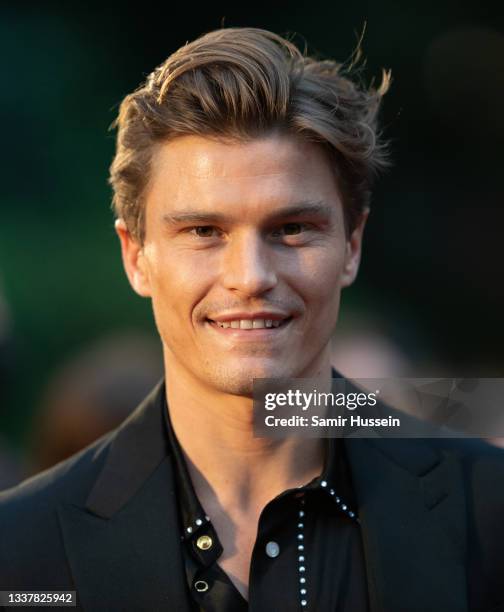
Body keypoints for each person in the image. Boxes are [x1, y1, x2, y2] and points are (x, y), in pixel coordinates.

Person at [1, 27, 503, 612]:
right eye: (204, 232)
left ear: (353, 245)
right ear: (135, 256)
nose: (251, 275)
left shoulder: (488, 512)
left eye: (291, 229)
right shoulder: (18, 553)